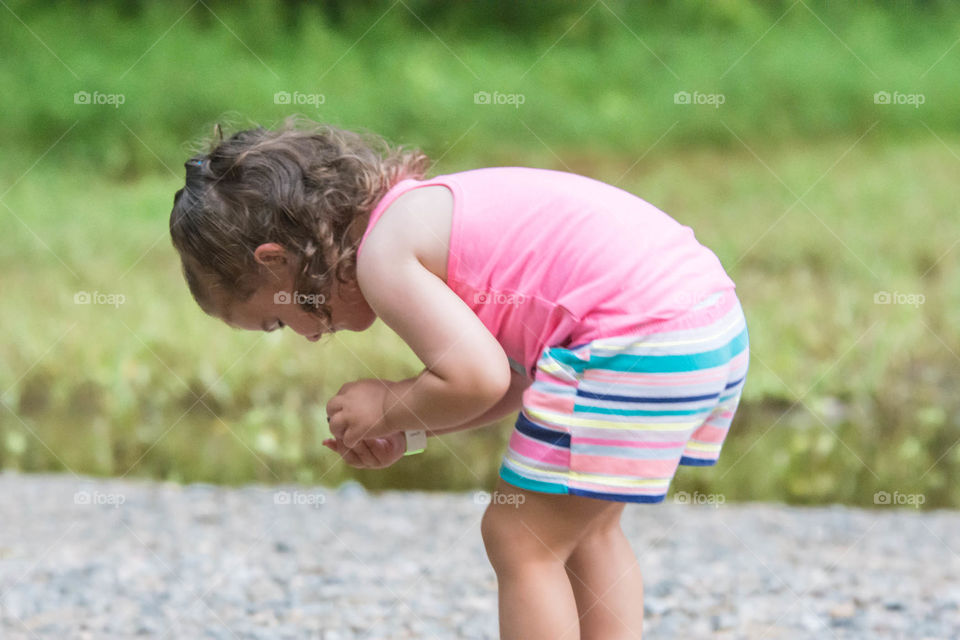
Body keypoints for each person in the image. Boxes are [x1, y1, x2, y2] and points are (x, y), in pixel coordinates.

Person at [169, 116, 749, 639]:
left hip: (634, 339)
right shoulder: (418, 218)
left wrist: (389, 403)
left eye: (276, 318)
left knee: (520, 538)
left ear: (275, 260)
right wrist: (409, 429)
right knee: (585, 531)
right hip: (702, 323)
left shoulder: (384, 257)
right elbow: (519, 380)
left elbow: (478, 377)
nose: (305, 334)